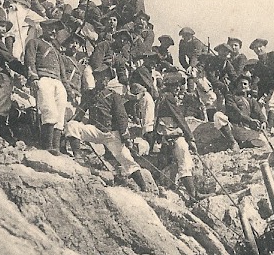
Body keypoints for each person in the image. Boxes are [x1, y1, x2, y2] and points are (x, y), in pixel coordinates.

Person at [66, 65, 149, 192]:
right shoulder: (89, 95)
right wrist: (70, 126)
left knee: (127, 159)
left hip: (111, 134)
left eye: (105, 78)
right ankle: (78, 156)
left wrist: (125, 136)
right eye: (99, 77)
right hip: (95, 131)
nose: (102, 80)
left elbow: (122, 116)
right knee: (72, 125)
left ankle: (143, 187)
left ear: (108, 80)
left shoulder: (114, 96)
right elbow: (80, 113)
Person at [24, 18, 70, 154]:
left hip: (58, 82)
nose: (54, 31)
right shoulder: (34, 42)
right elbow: (29, 61)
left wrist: (68, 89)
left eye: (56, 29)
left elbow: (63, 73)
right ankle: (47, 145)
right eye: (50, 28)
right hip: (44, 79)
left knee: (60, 114)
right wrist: (33, 77)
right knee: (49, 110)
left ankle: (55, 147)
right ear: (43, 28)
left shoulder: (57, 51)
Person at [153, 72, 198, 201]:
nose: (178, 88)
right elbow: (179, 118)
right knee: (185, 162)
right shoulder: (169, 98)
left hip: (163, 135)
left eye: (179, 85)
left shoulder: (162, 97)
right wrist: (191, 139)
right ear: (169, 86)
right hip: (173, 135)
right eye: (175, 86)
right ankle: (193, 195)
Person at [221, 73, 267, 150]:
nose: (243, 86)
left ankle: (242, 144)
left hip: (244, 129)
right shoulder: (230, 97)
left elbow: (259, 112)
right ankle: (233, 142)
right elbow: (237, 113)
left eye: (245, 84)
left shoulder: (251, 100)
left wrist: (263, 121)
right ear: (237, 85)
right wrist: (250, 121)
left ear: (249, 86)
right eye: (240, 83)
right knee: (219, 116)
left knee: (262, 141)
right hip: (233, 127)